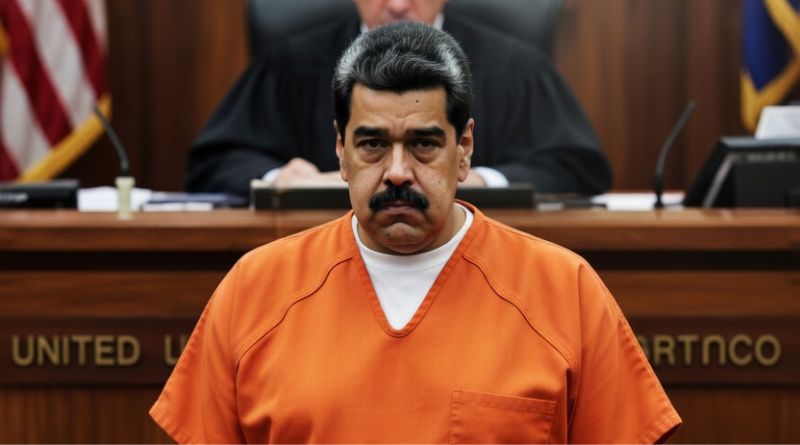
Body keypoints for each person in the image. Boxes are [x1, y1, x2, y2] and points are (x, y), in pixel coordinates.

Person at [152, 22, 679, 443]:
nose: (398, 172)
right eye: (373, 145)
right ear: (340, 151)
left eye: (424, 144)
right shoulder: (254, 289)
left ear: (464, 149)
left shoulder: (564, 290)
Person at [185, 0, 612, 199]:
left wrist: (482, 182)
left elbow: (576, 165)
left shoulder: (515, 66)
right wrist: (281, 177)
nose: (397, 5)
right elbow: (216, 162)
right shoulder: (290, 64)